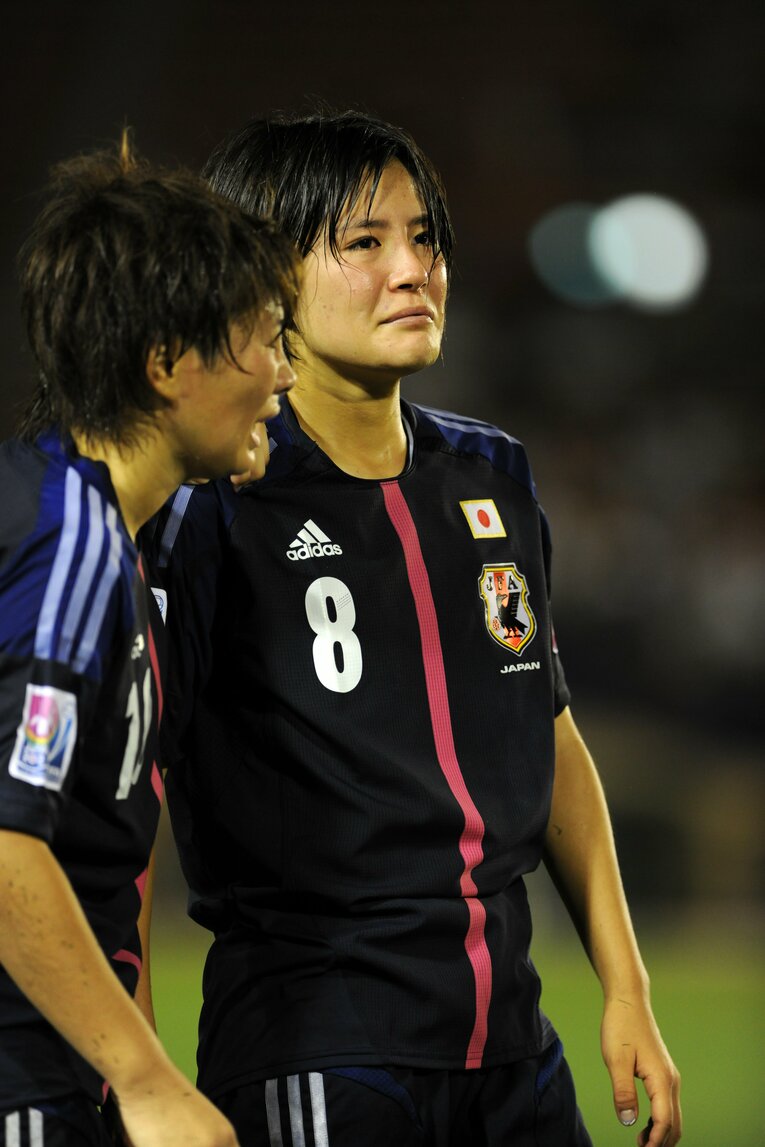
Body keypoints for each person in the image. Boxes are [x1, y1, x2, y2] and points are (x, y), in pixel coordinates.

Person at [148, 110, 681, 1147]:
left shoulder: (492, 473)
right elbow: (129, 797)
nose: (413, 270)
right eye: (365, 241)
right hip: (320, 1049)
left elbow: (549, 732)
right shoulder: (212, 503)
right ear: (262, 275)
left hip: (514, 1050)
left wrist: (626, 987)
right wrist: (140, 1072)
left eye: (425, 236)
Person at [0, 132, 299, 1147]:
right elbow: (7, 837)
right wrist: (147, 1078)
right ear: (166, 363)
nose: (282, 376)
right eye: (265, 340)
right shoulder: (70, 545)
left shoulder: (89, 526)